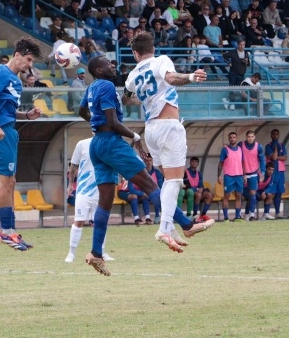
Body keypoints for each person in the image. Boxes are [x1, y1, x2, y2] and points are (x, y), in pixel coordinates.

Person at [79, 56, 211, 275]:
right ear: (98, 69)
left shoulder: (92, 87)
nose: (112, 66)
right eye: (107, 64)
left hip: (97, 145)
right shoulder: (107, 86)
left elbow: (82, 111)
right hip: (112, 143)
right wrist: (135, 137)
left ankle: (96, 253)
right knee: (151, 186)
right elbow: (112, 122)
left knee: (104, 203)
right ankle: (186, 225)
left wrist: (95, 122)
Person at [122, 32, 214, 249]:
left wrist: (143, 97)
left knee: (166, 181)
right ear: (152, 48)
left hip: (151, 129)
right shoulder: (161, 61)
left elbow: (126, 99)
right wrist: (191, 77)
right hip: (168, 126)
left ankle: (172, 227)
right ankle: (164, 229)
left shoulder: (132, 75)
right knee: (174, 182)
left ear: (135, 54)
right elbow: (171, 78)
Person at [0, 37, 42, 251]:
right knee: (5, 183)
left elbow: (5, 110)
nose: (30, 65)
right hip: (0, 134)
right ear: (17, 55)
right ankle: (5, 232)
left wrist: (26, 115)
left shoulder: (14, 79)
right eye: (29, 60)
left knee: (11, 182)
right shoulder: (2, 72)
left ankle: (11, 231)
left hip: (9, 130)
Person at [65, 138, 114, 263]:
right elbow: (74, 166)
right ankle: (71, 253)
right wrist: (71, 184)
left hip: (101, 189)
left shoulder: (108, 143)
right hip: (84, 190)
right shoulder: (82, 144)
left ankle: (101, 252)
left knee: (100, 222)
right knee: (79, 221)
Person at [218, 132, 244, 221]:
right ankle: (226, 217)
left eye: (234, 137)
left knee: (238, 195)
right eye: (231, 137)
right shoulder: (225, 150)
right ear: (229, 139)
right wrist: (219, 175)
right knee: (227, 196)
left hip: (239, 176)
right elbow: (221, 163)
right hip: (229, 176)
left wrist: (244, 175)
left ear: (236, 138)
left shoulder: (240, 149)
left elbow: (242, 163)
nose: (232, 139)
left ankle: (238, 216)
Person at [178, 157, 214, 221]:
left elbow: (201, 185)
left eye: (196, 162)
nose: (194, 163)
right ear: (190, 162)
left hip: (198, 191)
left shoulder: (199, 173)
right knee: (198, 194)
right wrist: (197, 189)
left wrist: (201, 189)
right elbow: (186, 185)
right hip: (189, 192)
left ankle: (203, 215)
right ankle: (195, 214)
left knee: (210, 195)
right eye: (192, 161)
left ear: (198, 163)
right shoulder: (186, 172)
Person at [241, 130, 266, 221]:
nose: (250, 138)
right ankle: (239, 215)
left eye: (252, 136)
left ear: (254, 137)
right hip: (242, 174)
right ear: (246, 137)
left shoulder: (258, 147)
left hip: (253, 173)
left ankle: (251, 214)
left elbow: (262, 160)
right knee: (240, 194)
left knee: (253, 193)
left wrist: (263, 172)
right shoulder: (241, 145)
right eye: (248, 136)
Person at [265, 129, 287, 219]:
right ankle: (266, 212)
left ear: (279, 135)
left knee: (279, 193)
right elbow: (273, 157)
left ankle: (278, 213)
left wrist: (277, 157)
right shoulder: (268, 146)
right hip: (272, 172)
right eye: (273, 134)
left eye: (277, 134)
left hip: (281, 172)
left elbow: (285, 157)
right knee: (270, 192)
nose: (275, 136)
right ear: (271, 135)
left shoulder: (282, 145)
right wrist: (275, 148)